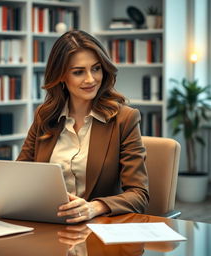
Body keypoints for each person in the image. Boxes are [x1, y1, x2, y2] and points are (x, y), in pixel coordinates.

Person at [17, 30, 149, 223]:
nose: (90, 79)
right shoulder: (45, 116)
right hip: (48, 223)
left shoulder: (124, 119)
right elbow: (20, 174)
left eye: (96, 68)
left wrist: (94, 207)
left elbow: (139, 194)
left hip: (97, 228)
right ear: (61, 76)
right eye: (79, 72)